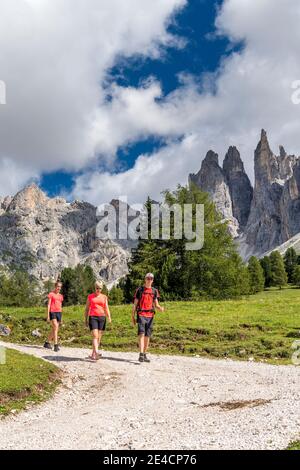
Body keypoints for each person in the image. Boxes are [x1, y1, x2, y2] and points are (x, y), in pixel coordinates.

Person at [132, 273, 164, 363]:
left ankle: (145, 354)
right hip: (141, 314)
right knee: (141, 334)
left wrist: (160, 308)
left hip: (150, 315)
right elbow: (134, 304)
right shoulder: (139, 290)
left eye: (151, 278)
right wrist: (133, 317)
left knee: (147, 336)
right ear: (145, 279)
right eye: (148, 278)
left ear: (153, 280)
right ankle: (141, 354)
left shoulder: (154, 291)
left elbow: (156, 304)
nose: (149, 280)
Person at [85, 280, 112, 361]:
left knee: (99, 337)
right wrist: (85, 319)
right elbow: (86, 309)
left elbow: (106, 307)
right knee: (95, 335)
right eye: (97, 288)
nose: (98, 290)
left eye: (100, 288)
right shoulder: (90, 296)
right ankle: (96, 352)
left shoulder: (104, 297)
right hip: (93, 317)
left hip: (102, 318)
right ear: (94, 288)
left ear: (102, 288)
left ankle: (93, 354)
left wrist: (109, 317)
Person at [44, 281, 64, 352]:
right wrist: (48, 315)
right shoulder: (51, 294)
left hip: (59, 313)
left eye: (60, 287)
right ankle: (56, 345)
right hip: (52, 312)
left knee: (54, 329)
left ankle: (47, 342)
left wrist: (61, 318)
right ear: (55, 287)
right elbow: (49, 305)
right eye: (58, 286)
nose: (59, 288)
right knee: (55, 327)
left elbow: (61, 306)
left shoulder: (61, 296)